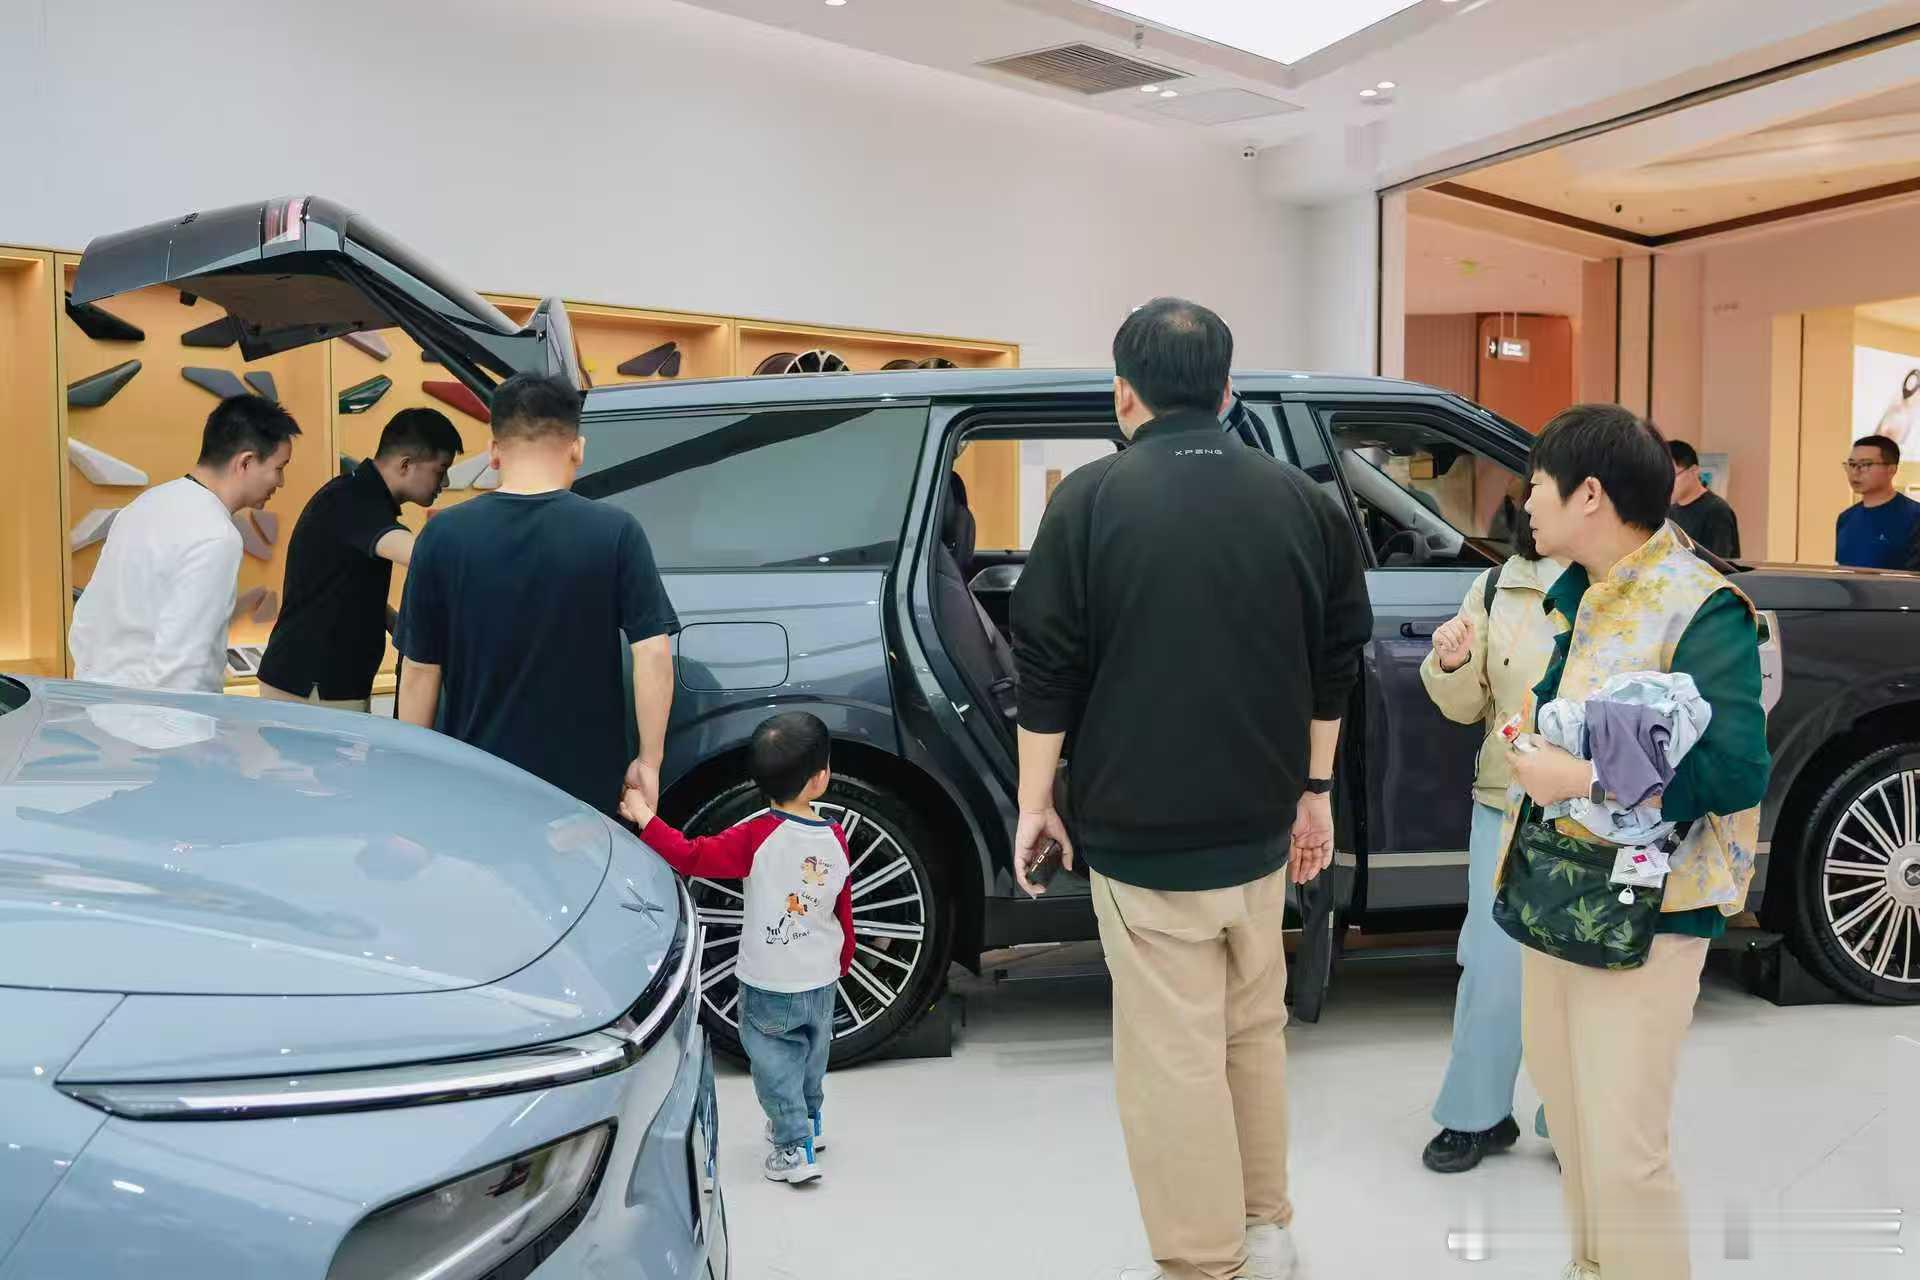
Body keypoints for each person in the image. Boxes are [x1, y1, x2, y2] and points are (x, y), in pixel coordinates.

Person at [1010, 298, 1373, 1280]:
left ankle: (1204, 1260)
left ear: (1123, 394)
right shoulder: (1303, 502)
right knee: (1253, 1029)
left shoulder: (1087, 501)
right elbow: (1336, 661)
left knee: (1171, 1056)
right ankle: (1264, 1223)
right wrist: (1313, 792)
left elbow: (1046, 668)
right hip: (1261, 827)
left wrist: (1035, 803)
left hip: (1144, 837)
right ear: (1227, 390)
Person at [1505, 404, 1770, 1279]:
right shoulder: (1579, 591)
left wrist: (1582, 777)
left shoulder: (1702, 605)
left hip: (1652, 910)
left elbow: (1735, 771)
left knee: (1623, 1148)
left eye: (1537, 485)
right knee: (1575, 1124)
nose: (1526, 503)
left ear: (1589, 494)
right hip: (1563, 890)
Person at [395, 373, 679, 816]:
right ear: (577, 448)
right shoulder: (616, 531)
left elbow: (418, 669)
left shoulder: (442, 535)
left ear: (493, 452)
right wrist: (649, 761)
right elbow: (653, 653)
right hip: (584, 792)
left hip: (473, 783)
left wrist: (415, 766)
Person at [620, 713, 852, 1186]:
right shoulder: (835, 835)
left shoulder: (756, 835)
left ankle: (793, 1148)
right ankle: (809, 1122)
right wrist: (843, 957)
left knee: (774, 1063)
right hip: (823, 976)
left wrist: (644, 816)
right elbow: (841, 905)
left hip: (770, 979)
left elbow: (690, 855)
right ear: (820, 778)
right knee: (812, 1056)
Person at [1417, 507, 1563, 1174]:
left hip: (1599, 808)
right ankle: (1476, 1114)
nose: (1535, 504)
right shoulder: (1499, 584)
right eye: (1535, 489)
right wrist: (1450, 662)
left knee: (1582, 970)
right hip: (1504, 802)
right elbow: (1465, 705)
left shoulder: (1625, 584)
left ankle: (1574, 1120)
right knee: (1492, 962)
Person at [70, 394, 299, 693]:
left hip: (97, 698)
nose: (281, 482)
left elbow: (88, 619)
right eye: (279, 468)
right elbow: (185, 667)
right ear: (246, 462)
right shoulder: (216, 536)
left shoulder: (143, 505)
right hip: (157, 715)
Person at [257, 408, 462, 711]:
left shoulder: (356, 494)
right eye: (440, 470)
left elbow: (348, 589)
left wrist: (401, 626)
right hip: (314, 685)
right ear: (406, 465)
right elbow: (423, 556)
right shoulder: (354, 500)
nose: (444, 483)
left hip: (324, 681)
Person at [1836, 434, 1920, 569]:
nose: (1855, 472)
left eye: (1865, 464)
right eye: (1851, 464)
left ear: (1891, 469)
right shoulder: (1846, 518)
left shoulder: (1915, 517)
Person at [1666, 439, 1739, 559]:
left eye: (1672, 476)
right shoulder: (1669, 512)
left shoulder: (1716, 511)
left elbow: (1718, 563)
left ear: (1694, 471)